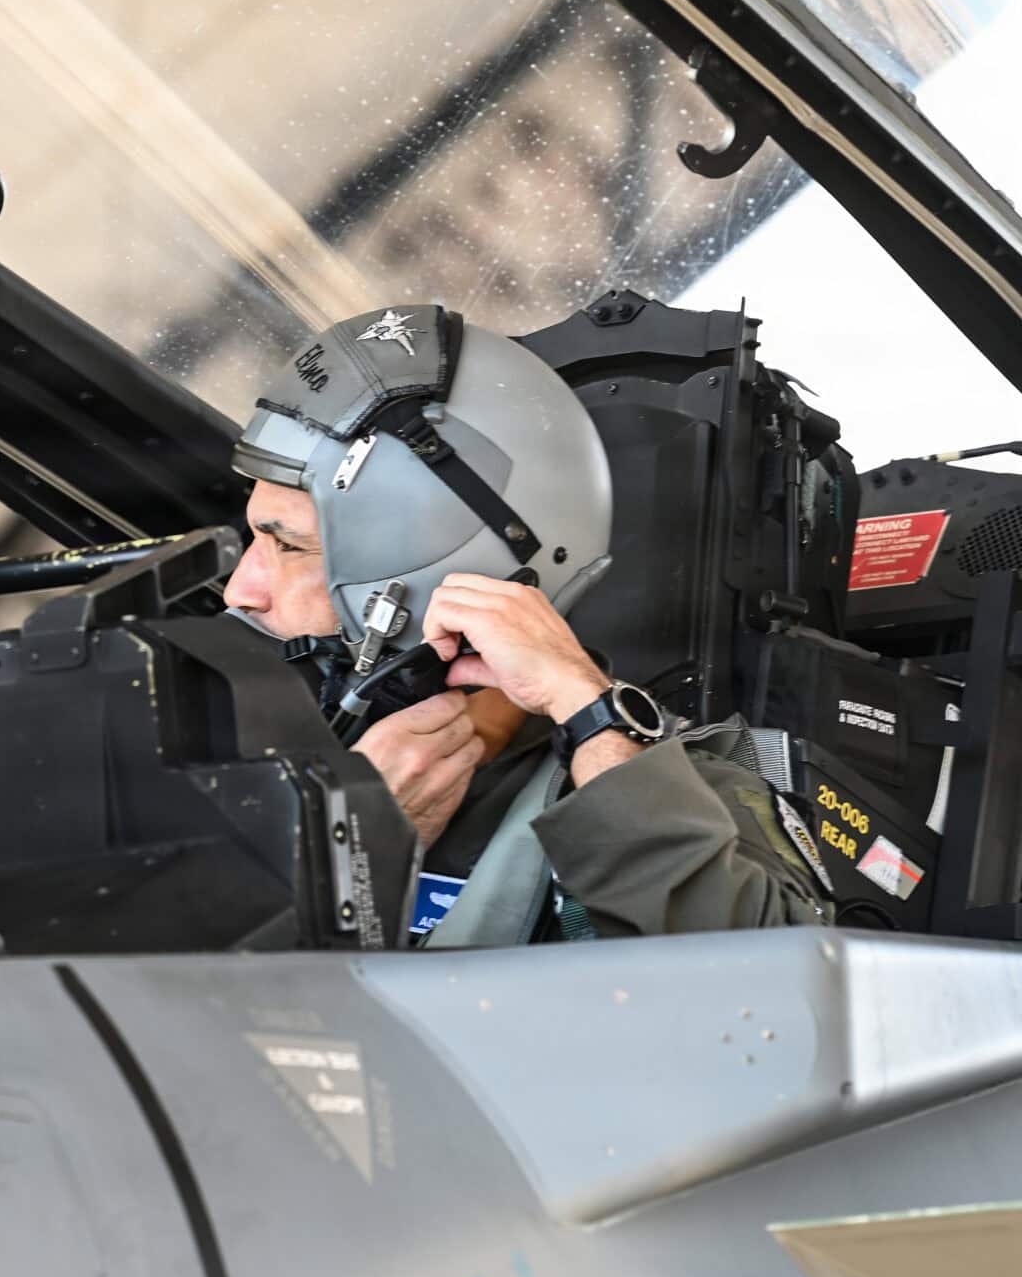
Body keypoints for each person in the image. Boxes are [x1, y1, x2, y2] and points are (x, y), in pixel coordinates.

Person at [221, 302, 829, 943]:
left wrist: (591, 715)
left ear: (447, 570)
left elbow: (770, 987)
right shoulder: (209, 732)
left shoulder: (675, 796)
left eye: (288, 547)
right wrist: (336, 855)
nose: (242, 590)